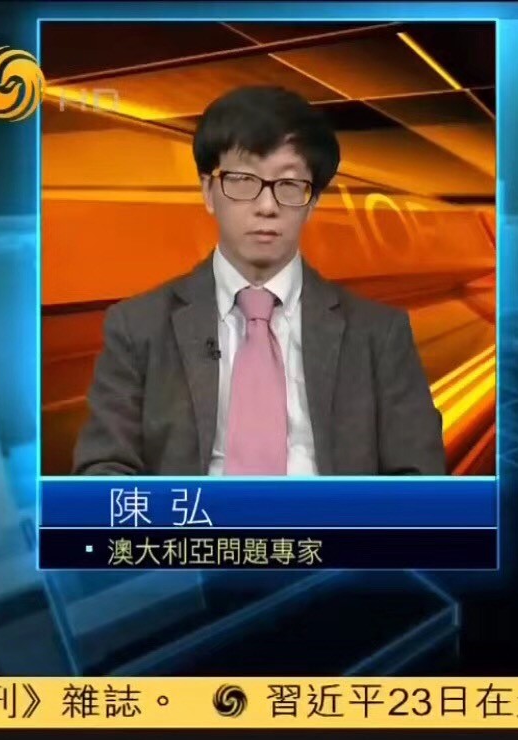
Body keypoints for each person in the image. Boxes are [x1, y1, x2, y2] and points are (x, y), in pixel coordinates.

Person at [73, 85, 446, 476]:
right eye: (243, 180)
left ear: (313, 201)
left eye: (289, 185)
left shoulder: (379, 335)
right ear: (208, 191)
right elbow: (103, 471)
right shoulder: (137, 328)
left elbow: (420, 479)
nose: (267, 206)